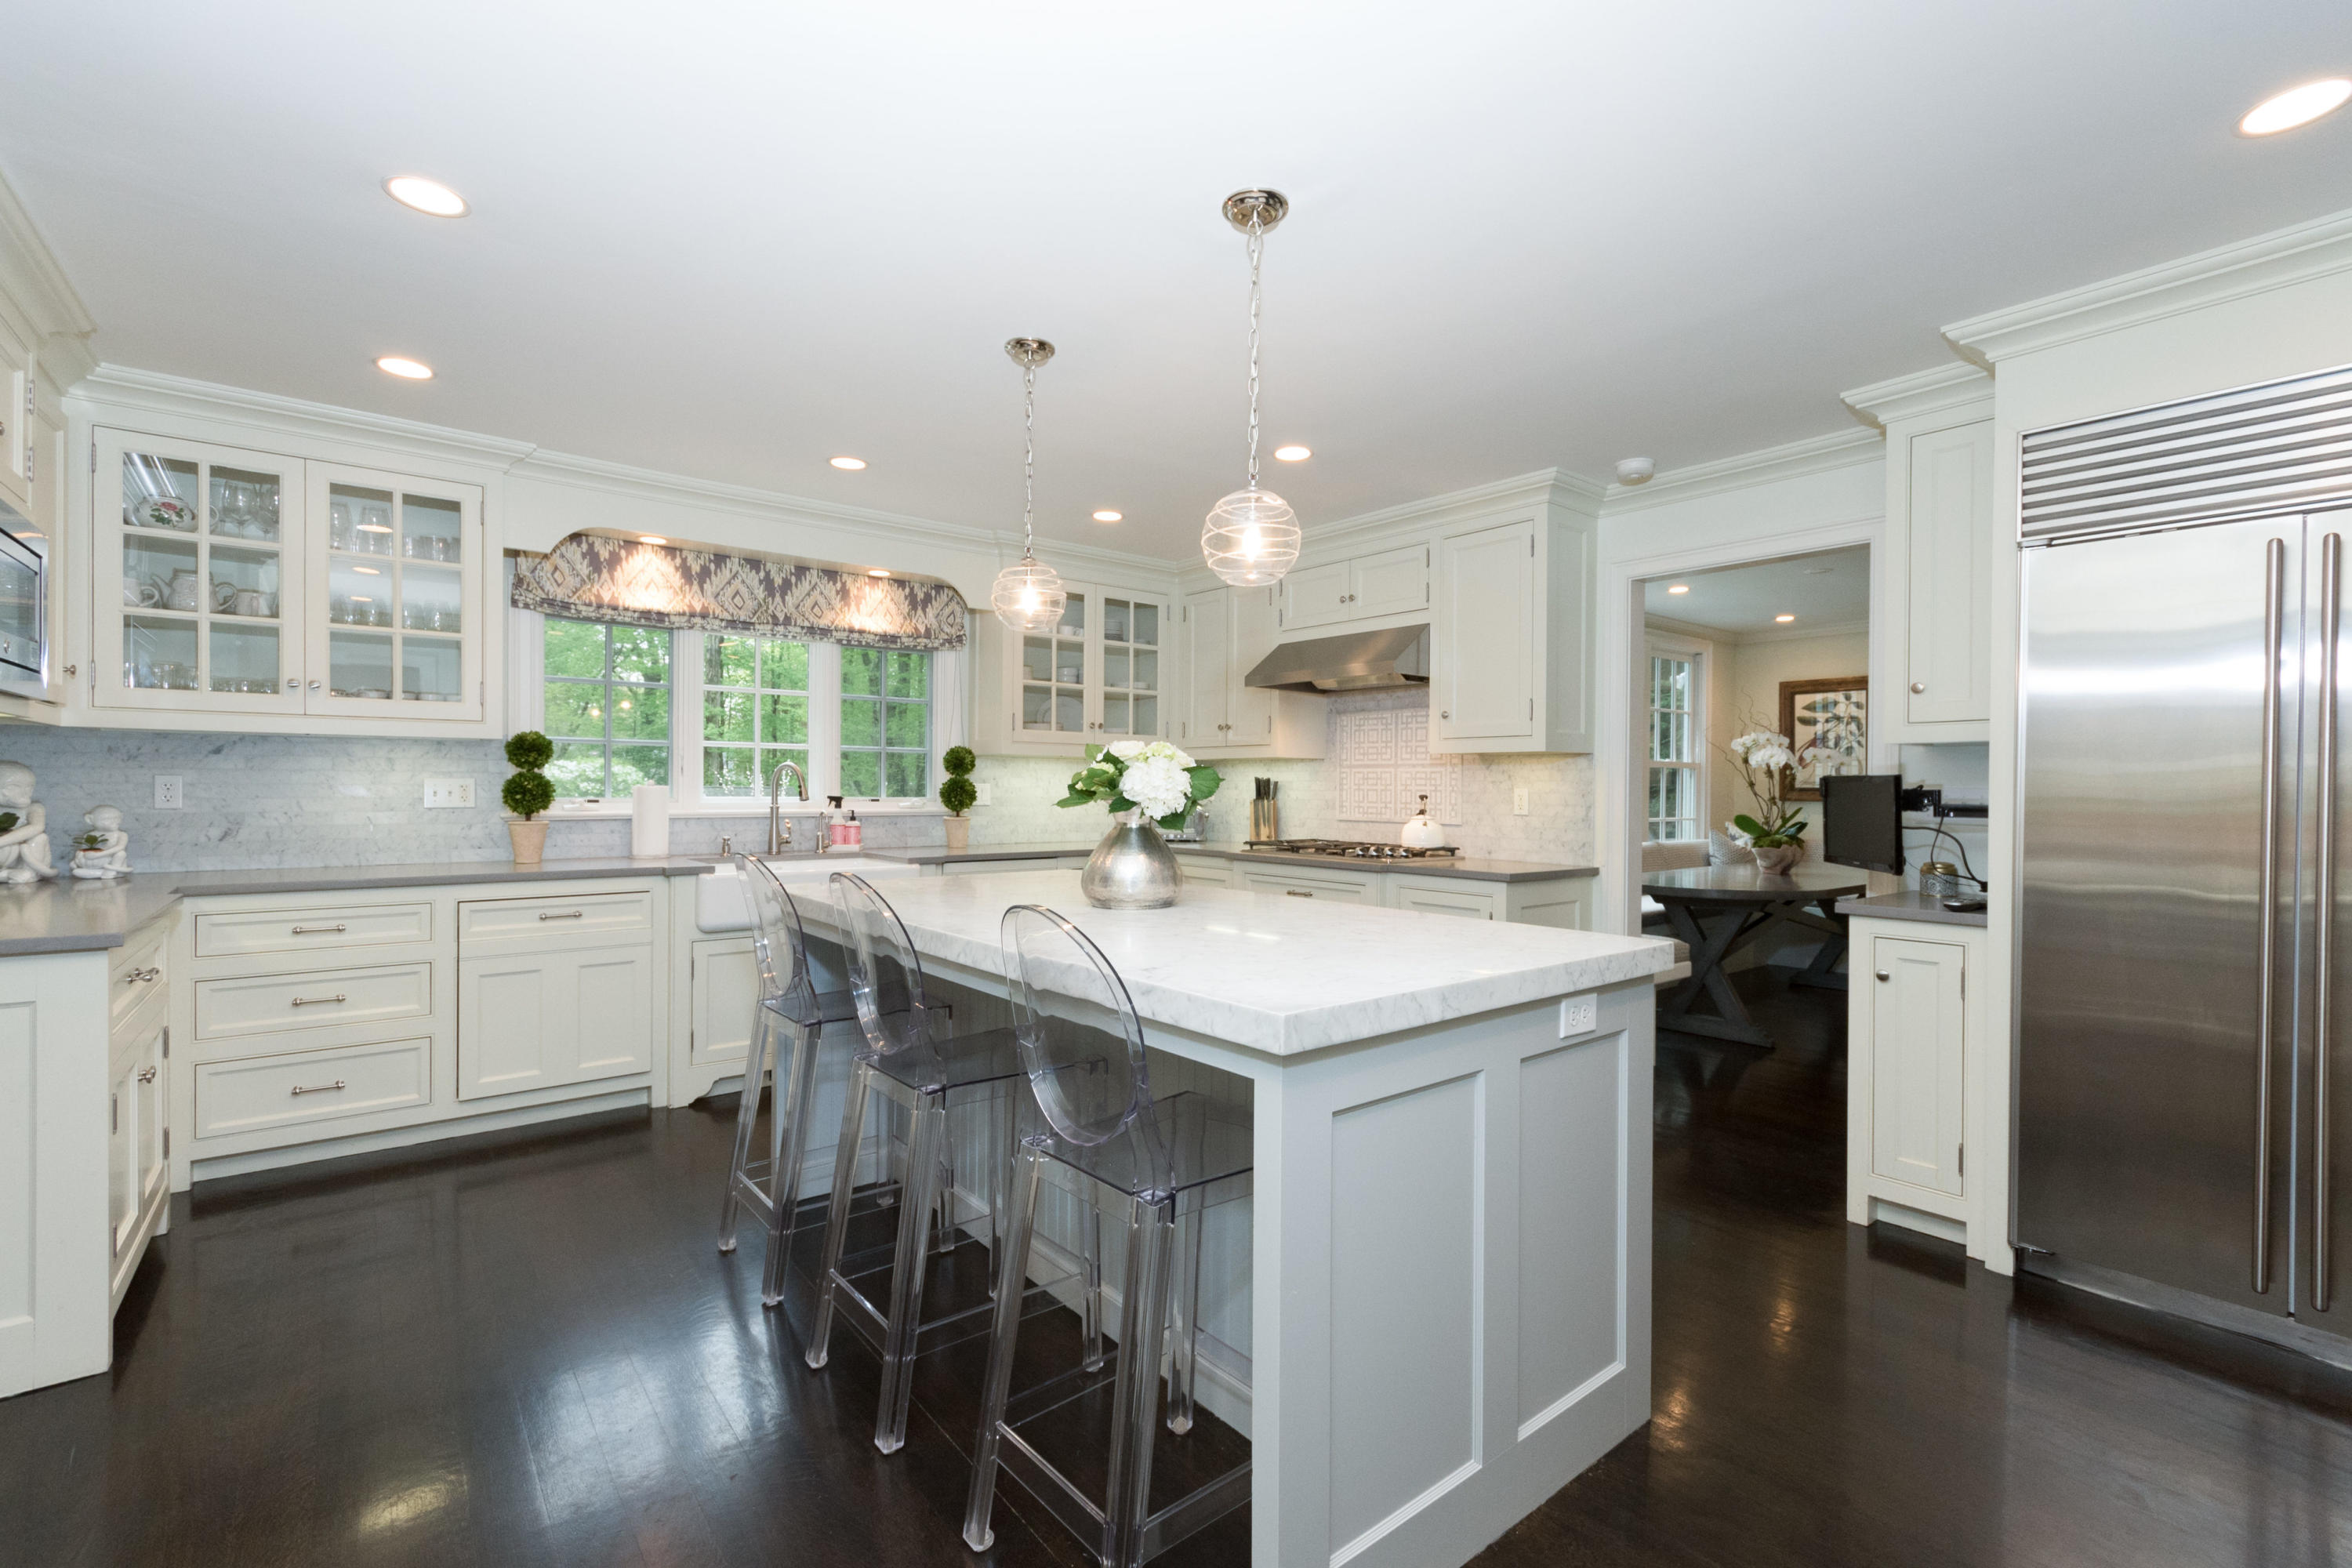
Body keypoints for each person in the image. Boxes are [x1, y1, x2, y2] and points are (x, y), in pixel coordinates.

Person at [0, 762, 56, 883]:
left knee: (39, 837)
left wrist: (2, 841)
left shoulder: (35, 807)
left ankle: (30, 872)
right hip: (5, 856)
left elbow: (37, 827)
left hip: (24, 858)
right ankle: (6, 874)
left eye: (29, 787)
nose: (25, 792)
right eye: (13, 787)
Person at [71, 804, 130, 880]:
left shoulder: (121, 834)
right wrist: (76, 861)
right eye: (107, 819)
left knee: (121, 853)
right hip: (95, 862)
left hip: (112, 862)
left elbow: (120, 847)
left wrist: (98, 855)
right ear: (90, 820)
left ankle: (112, 871)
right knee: (76, 871)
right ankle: (103, 872)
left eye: (117, 818)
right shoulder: (89, 835)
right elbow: (84, 850)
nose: (114, 822)